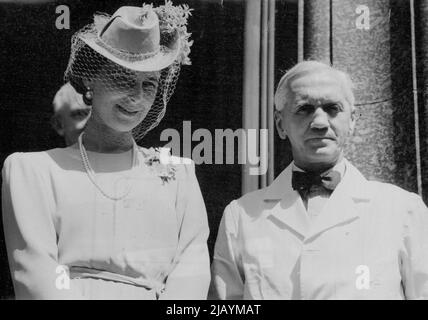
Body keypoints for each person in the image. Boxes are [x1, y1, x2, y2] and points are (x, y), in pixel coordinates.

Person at [2, 2, 210, 300]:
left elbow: (192, 271)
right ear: (90, 78)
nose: (136, 97)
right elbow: (38, 277)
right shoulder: (34, 171)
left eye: (148, 84)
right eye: (122, 78)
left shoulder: (179, 174)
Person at [209, 60, 428, 300]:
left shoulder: (403, 210)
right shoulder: (241, 217)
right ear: (280, 124)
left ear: (352, 120)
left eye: (333, 108)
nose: (320, 122)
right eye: (304, 109)